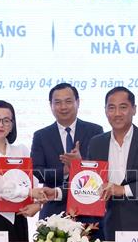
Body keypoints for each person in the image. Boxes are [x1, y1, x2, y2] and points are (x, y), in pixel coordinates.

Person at [87, 86, 138, 241]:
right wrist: (57, 192)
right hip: (111, 225)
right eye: (111, 108)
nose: (117, 113)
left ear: (134, 109)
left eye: (123, 107)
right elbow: (90, 182)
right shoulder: (96, 143)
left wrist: (123, 190)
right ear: (105, 111)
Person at [0, 100, 55, 242]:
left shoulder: (21, 150)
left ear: (12, 126)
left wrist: (37, 204)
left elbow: (33, 183)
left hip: (17, 216)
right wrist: (29, 192)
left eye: (6, 120)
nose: (1, 124)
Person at [31, 83, 104, 220]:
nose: (63, 107)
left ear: (78, 102)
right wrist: (64, 171)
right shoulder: (41, 136)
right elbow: (36, 171)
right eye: (57, 102)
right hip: (53, 210)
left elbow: (102, 172)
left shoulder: (95, 131)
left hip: (88, 209)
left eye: (68, 101)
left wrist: (79, 164)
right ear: (51, 105)